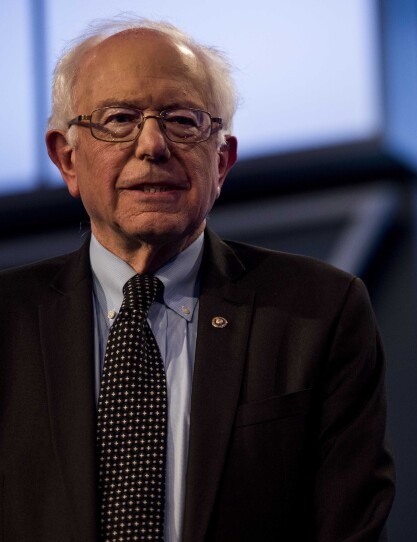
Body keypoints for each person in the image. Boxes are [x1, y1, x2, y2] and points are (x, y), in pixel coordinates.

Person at [0, 17, 394, 541]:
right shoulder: (6, 322)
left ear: (223, 160)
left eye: (182, 120)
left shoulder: (319, 312)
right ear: (66, 158)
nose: (152, 145)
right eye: (119, 119)